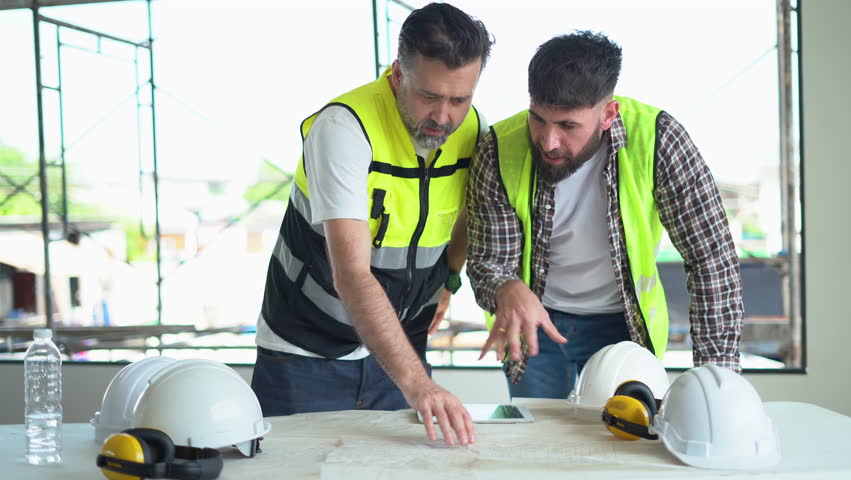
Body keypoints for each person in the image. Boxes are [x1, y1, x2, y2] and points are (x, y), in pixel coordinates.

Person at [251, 3, 493, 446]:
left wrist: (449, 281)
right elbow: (352, 272)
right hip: (306, 353)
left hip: (398, 347)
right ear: (398, 76)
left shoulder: (471, 128)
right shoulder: (344, 127)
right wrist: (418, 384)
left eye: (459, 99)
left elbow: (464, 215)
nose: (444, 117)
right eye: (429, 96)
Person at [466, 31, 743, 400]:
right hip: (536, 326)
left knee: (624, 440)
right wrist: (506, 286)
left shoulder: (660, 140)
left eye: (568, 126)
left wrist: (719, 386)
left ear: (608, 113)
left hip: (623, 324)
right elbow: (488, 261)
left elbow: (711, 260)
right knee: (540, 445)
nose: (548, 141)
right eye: (538, 119)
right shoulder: (499, 148)